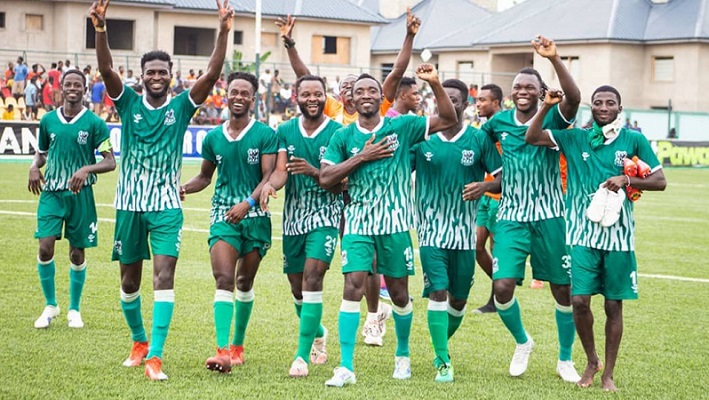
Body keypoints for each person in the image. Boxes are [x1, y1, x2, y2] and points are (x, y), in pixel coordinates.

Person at [90, 0, 233, 381]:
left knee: (163, 277)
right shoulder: (128, 103)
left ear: (171, 77)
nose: (156, 77)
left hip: (167, 206)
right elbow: (106, 69)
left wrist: (223, 30)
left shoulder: (182, 107)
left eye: (162, 72)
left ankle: (155, 356)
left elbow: (212, 73)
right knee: (129, 283)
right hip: (129, 205)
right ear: (141, 77)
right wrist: (101, 29)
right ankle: (138, 341)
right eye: (150, 72)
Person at [277, 8, 421, 346]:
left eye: (357, 86)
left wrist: (409, 36)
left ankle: (373, 317)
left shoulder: (378, 110)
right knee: (355, 263)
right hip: (337, 193)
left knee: (370, 262)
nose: (350, 91)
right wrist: (290, 45)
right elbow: (305, 78)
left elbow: (397, 71)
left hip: (366, 196)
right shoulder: (335, 113)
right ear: (343, 95)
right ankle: (363, 318)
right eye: (345, 87)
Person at [318, 64, 457, 387]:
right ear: (351, 99)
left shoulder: (403, 126)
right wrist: (361, 157)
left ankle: (402, 355)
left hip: (395, 225)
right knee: (352, 286)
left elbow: (448, 119)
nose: (365, 95)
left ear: (382, 97)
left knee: (398, 293)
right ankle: (346, 366)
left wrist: (435, 83)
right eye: (359, 91)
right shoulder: (343, 136)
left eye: (372, 90)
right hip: (358, 224)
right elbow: (325, 178)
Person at [525, 85, 666, 391]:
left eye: (610, 103)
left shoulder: (633, 139)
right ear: (591, 107)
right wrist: (546, 106)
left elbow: (660, 180)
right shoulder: (575, 137)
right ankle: (591, 361)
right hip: (582, 235)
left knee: (613, 306)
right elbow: (532, 136)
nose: (603, 107)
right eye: (598, 102)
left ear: (619, 108)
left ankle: (608, 374)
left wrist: (627, 178)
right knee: (578, 301)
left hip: (618, 239)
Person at [479, 35, 582, 382]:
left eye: (529, 87)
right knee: (502, 288)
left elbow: (574, 98)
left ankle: (565, 359)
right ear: (511, 93)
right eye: (518, 87)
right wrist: (490, 181)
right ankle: (523, 342)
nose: (522, 91)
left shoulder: (554, 117)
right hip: (510, 217)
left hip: (551, 217)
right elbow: (484, 153)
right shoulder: (497, 123)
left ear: (540, 92)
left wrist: (554, 59)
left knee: (563, 290)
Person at [181, 72, 276, 375]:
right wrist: (183, 188)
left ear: (253, 99)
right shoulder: (213, 138)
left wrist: (248, 204)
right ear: (226, 94)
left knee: (244, 282)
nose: (238, 97)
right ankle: (222, 352)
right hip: (223, 215)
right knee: (224, 278)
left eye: (245, 93)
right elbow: (204, 177)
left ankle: (237, 346)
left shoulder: (264, 134)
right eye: (234, 91)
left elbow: (268, 176)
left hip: (255, 217)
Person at [412, 78, 502, 382]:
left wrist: (485, 186)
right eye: (442, 98)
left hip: (464, 236)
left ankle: (440, 345)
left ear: (465, 104)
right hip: (430, 232)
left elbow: (503, 179)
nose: (447, 103)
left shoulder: (478, 139)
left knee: (459, 299)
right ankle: (443, 362)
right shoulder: (422, 139)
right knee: (438, 291)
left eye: (453, 99)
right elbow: (397, 169)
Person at [259, 75, 343, 378]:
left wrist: (313, 171)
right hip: (294, 220)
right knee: (298, 290)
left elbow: (342, 181)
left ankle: (301, 356)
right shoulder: (285, 130)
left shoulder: (338, 133)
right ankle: (319, 332)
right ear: (296, 97)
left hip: (326, 217)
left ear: (325, 96)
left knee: (312, 278)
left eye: (317, 94)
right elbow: (281, 171)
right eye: (306, 94)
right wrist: (270, 185)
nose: (312, 99)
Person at [28, 69, 116, 330]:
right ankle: (50, 305)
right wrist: (34, 166)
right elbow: (42, 153)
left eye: (78, 85)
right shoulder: (48, 120)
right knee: (45, 247)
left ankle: (74, 309)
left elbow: (110, 162)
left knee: (77, 253)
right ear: (62, 88)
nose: (73, 88)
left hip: (81, 195)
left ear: (85, 90)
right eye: (69, 84)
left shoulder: (95, 123)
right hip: (52, 193)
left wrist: (86, 169)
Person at [472, 83, 503, 314]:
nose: (478, 104)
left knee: (496, 249)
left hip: (501, 197)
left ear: (496, 103)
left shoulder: (503, 126)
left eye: (483, 100)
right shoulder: (486, 128)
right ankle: (502, 288)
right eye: (477, 100)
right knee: (477, 247)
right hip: (486, 194)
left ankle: (496, 300)